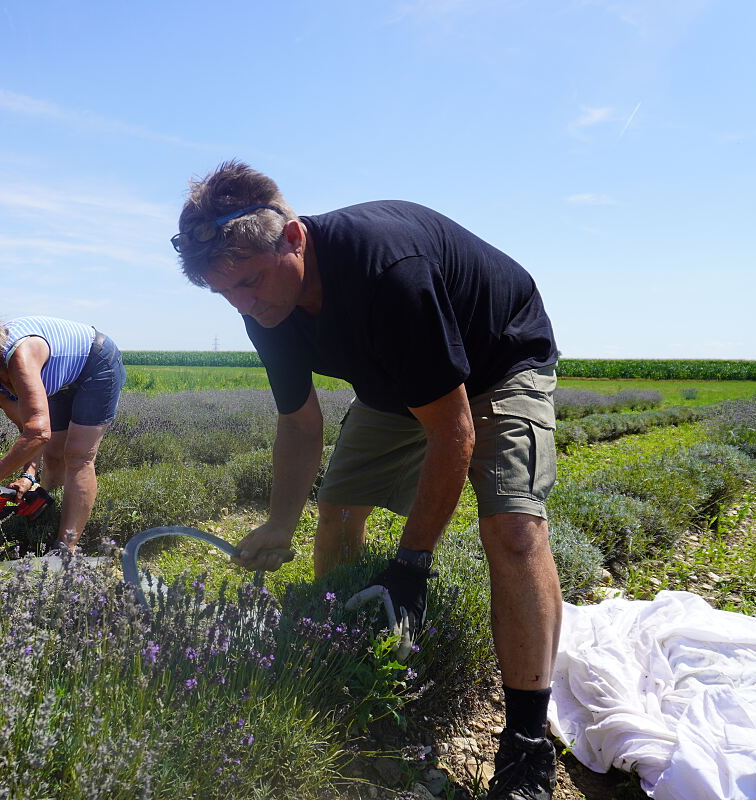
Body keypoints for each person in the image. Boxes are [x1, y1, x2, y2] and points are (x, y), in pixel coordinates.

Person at [171, 162, 562, 800]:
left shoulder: (386, 272)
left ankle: (525, 745)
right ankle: (341, 657)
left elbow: (453, 432)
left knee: (512, 529)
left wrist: (411, 565)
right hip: (395, 379)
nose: (243, 305)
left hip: (499, 359)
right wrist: (278, 522)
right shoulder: (264, 303)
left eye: (247, 283)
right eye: (225, 294)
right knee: (338, 508)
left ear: (293, 239)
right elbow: (299, 425)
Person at [0, 314, 126, 550]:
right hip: (59, 377)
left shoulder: (20, 357)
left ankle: (65, 548)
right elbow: (28, 427)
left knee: (77, 455)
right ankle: (46, 515)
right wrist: (28, 475)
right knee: (53, 455)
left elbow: (38, 432)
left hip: (95, 364)